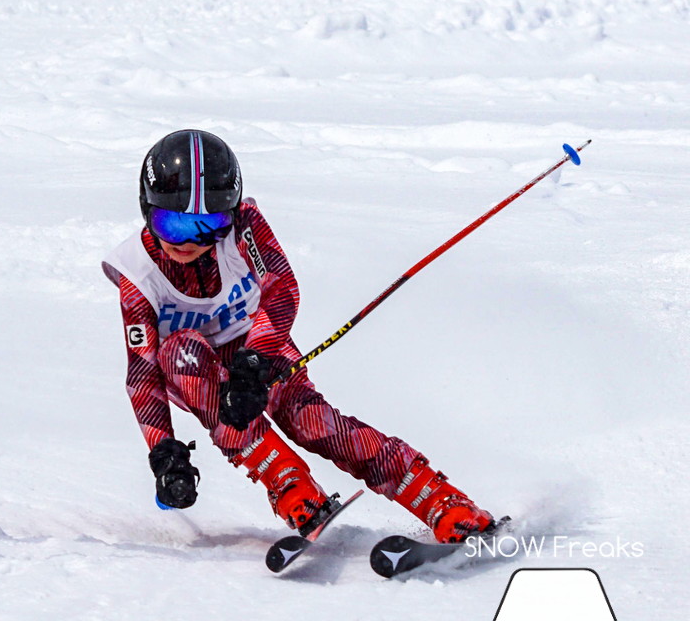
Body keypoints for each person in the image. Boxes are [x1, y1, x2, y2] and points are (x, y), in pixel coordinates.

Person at [101, 129, 495, 543]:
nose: (189, 241)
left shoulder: (244, 229)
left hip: (260, 347)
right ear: (147, 210)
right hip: (192, 371)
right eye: (173, 223)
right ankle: (289, 483)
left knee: (311, 422)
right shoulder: (138, 273)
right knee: (183, 351)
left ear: (230, 216)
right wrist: (165, 453)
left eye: (208, 225)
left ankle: (440, 500)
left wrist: (253, 363)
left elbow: (281, 289)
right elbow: (142, 374)